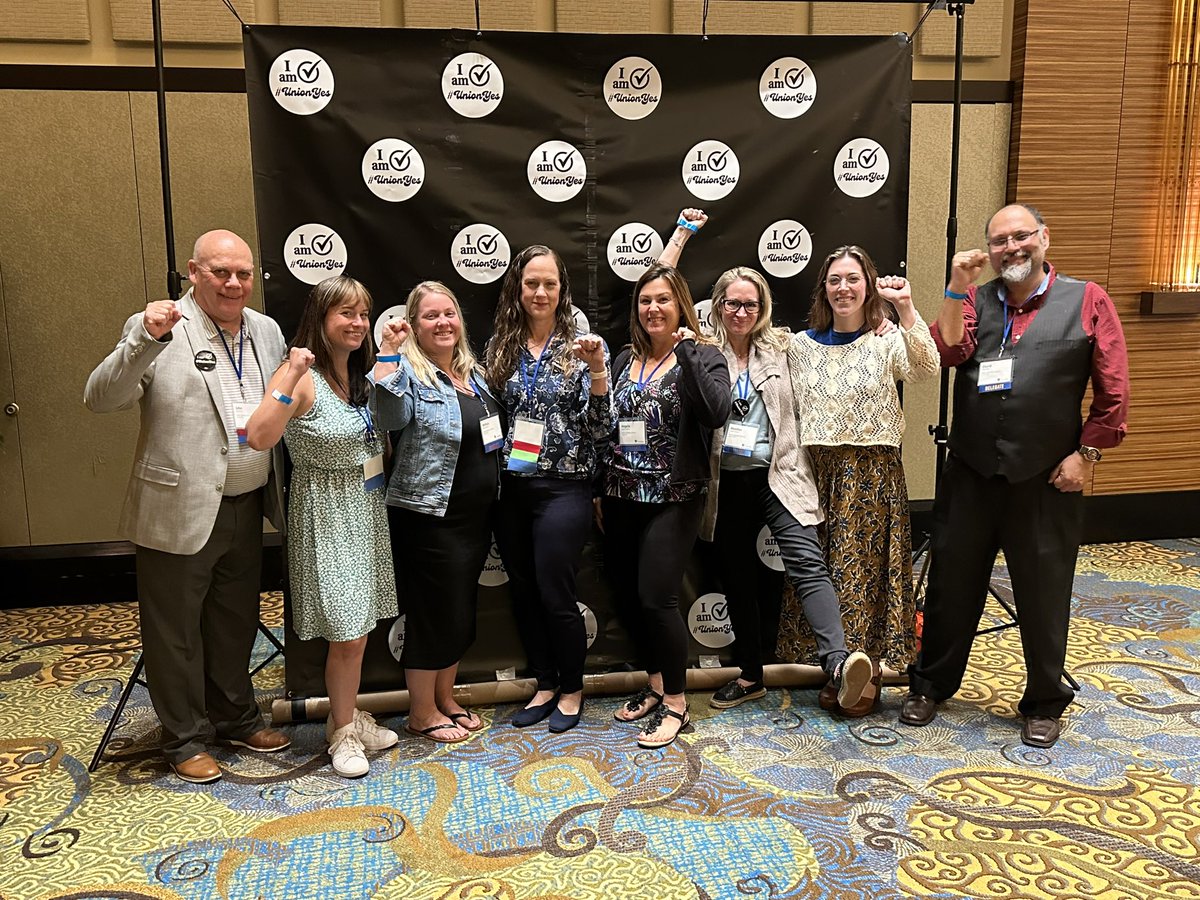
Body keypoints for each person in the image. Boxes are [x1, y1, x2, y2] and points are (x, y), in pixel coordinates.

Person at [903, 203, 1130, 749]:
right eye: (1000, 240)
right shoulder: (979, 300)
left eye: (1021, 236)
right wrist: (958, 285)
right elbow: (947, 351)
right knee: (951, 586)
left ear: (1043, 237)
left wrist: (1087, 455)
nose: (1011, 248)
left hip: (1045, 480)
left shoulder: (1087, 299)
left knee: (1043, 592)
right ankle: (930, 685)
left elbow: (1114, 391)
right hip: (972, 473)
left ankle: (1044, 701)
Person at [84, 229, 290, 784]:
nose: (233, 283)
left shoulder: (267, 331)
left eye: (243, 273)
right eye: (220, 272)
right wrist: (143, 341)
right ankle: (184, 738)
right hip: (179, 505)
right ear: (193, 273)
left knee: (234, 622)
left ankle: (235, 716)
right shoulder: (158, 325)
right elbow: (101, 397)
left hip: (247, 505)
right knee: (174, 632)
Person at [699, 261, 875, 716]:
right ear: (718, 306)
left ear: (763, 309)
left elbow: (840, 348)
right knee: (738, 580)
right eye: (733, 303)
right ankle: (750, 675)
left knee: (806, 561)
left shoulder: (785, 348)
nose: (741, 312)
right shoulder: (700, 351)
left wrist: (883, 318)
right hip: (723, 483)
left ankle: (836, 665)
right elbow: (660, 284)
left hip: (779, 475)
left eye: (750, 304)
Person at [245, 276, 398, 778]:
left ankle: (346, 716)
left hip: (366, 509)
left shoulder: (356, 374)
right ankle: (343, 734)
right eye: (345, 314)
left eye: (362, 314)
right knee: (348, 634)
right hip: (326, 514)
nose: (357, 323)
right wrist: (288, 376)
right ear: (322, 319)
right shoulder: (302, 375)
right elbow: (260, 436)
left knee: (359, 629)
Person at [783, 245, 938, 712]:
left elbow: (928, 366)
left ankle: (864, 672)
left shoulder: (886, 340)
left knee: (867, 577)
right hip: (817, 474)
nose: (843, 288)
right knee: (825, 574)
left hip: (872, 474)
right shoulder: (800, 346)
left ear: (868, 286)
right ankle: (837, 666)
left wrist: (906, 307)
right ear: (823, 290)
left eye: (853, 279)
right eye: (835, 280)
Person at [602, 250, 731, 750]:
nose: (653, 308)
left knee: (658, 597)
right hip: (620, 494)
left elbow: (717, 413)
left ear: (680, 306)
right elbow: (609, 427)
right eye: (646, 301)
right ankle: (655, 683)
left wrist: (690, 355)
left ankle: (677, 702)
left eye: (663, 300)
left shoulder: (705, 355)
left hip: (674, 496)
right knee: (633, 598)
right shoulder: (622, 359)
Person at [484, 246, 614, 733]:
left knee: (555, 591)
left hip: (565, 488)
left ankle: (572, 688)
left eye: (550, 284)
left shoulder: (581, 346)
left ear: (563, 291)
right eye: (531, 283)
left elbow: (603, 428)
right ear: (518, 289)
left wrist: (598, 371)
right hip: (512, 488)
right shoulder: (502, 343)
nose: (540, 293)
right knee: (523, 591)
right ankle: (544, 681)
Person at [371, 282, 502, 744]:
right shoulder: (406, 372)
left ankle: (445, 699)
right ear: (414, 325)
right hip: (429, 517)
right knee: (431, 614)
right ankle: (421, 712)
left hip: (474, 516)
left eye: (449, 314)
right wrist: (388, 354)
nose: (443, 323)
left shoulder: (474, 374)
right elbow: (386, 416)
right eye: (430, 316)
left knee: (458, 613)